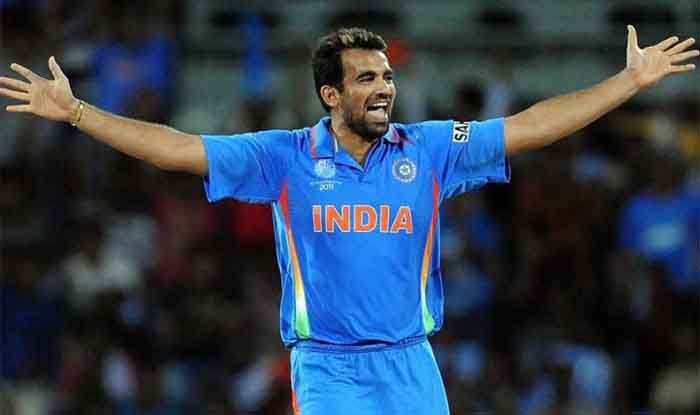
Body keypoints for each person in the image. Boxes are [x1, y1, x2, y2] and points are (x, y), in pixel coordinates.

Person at [1, 26, 697, 415]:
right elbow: (177, 148)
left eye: (387, 76)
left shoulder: (428, 150)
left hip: (412, 363)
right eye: (367, 78)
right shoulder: (284, 157)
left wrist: (628, 83)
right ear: (330, 94)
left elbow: (531, 125)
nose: (385, 87)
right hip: (329, 369)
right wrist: (78, 113)